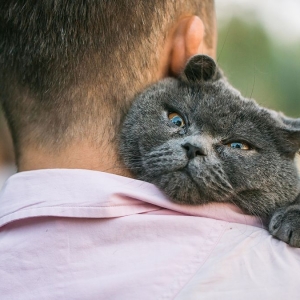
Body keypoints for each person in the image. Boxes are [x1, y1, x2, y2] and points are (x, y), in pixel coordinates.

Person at [0, 1, 299, 299]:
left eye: (237, 146)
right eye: (176, 120)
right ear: (187, 50)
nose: (195, 145)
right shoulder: (280, 276)